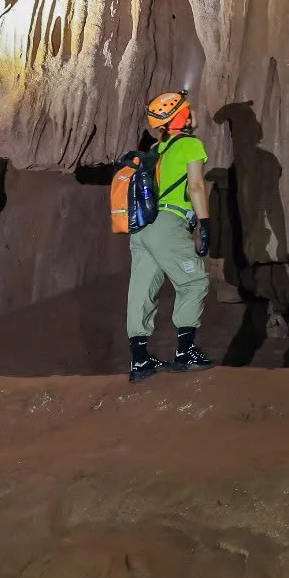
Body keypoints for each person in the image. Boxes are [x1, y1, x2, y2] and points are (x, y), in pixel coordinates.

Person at [124, 89, 215, 383]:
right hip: (167, 222)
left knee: (142, 288)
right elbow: (197, 186)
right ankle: (185, 353)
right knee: (194, 280)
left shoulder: (154, 151)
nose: (193, 112)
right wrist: (204, 221)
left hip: (141, 227)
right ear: (181, 116)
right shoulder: (190, 145)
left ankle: (140, 361)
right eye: (189, 108)